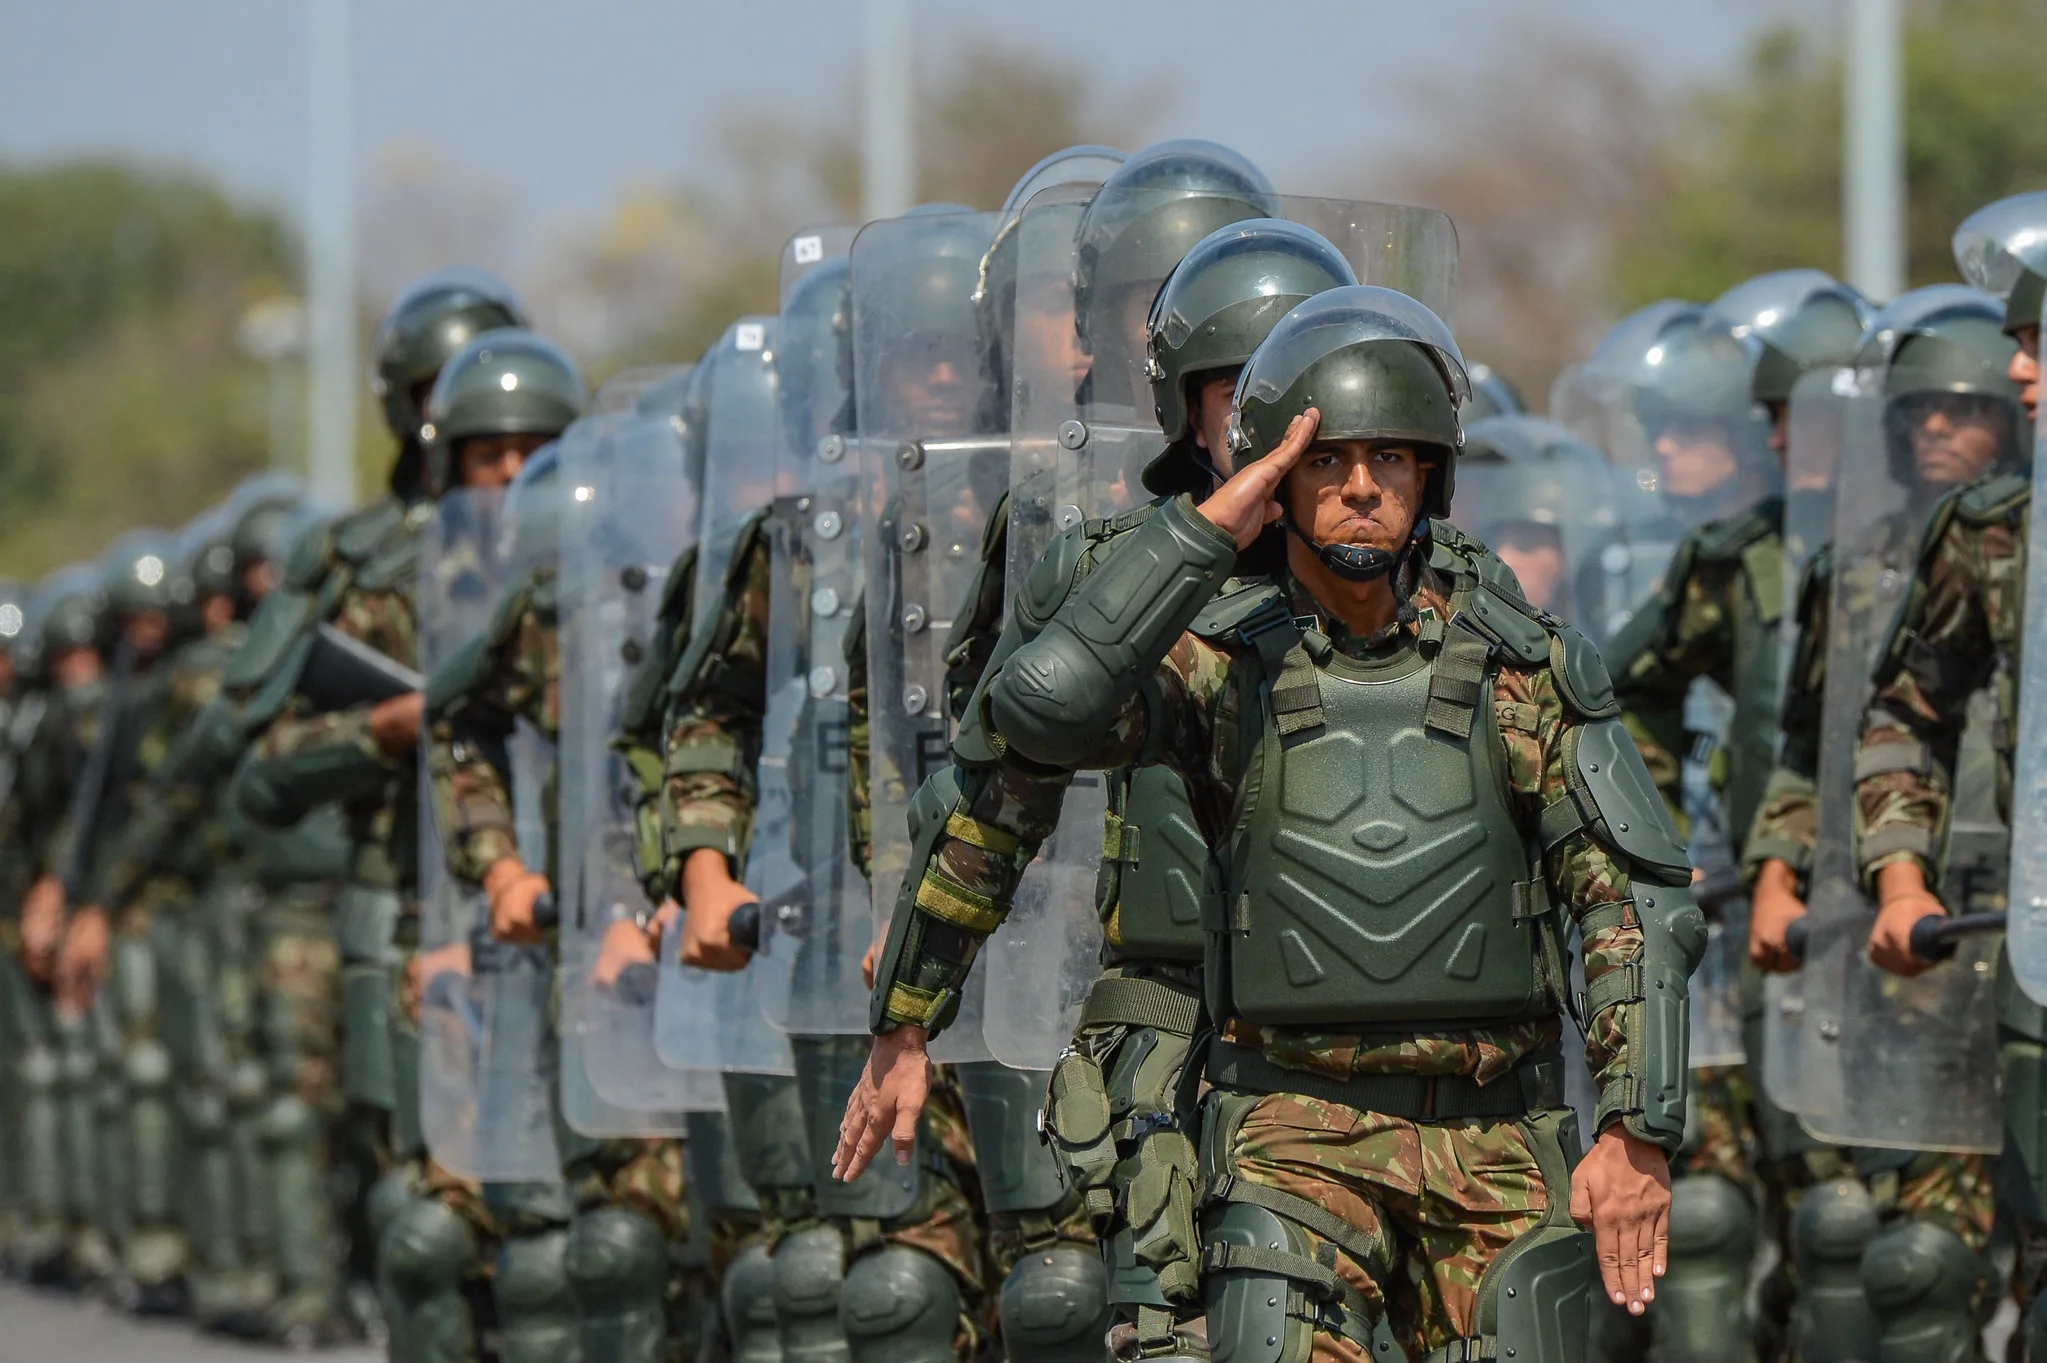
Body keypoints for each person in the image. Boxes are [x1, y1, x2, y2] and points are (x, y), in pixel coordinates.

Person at [844, 285, 1700, 1360]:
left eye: (1388, 461)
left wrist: (1635, 1128)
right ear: (1275, 475)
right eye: (1322, 462)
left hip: (1497, 1128)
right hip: (1289, 1125)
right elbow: (1037, 720)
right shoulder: (1220, 663)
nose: (1357, 489)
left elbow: (1630, 900)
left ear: (1430, 475)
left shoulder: (1515, 660)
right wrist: (908, 1016)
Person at [233, 323, 583, 1363]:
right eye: (488, 453)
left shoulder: (624, 567)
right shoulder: (386, 582)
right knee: (427, 1232)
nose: (513, 474)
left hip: (586, 932)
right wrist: (374, 731)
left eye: (534, 449)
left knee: (579, 1247)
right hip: (426, 924)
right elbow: (264, 771)